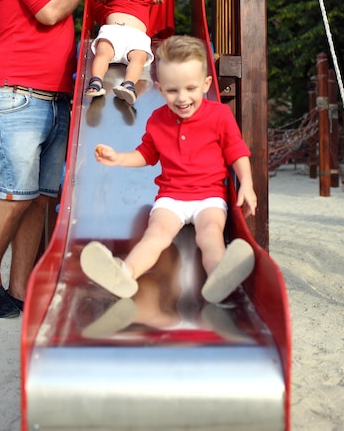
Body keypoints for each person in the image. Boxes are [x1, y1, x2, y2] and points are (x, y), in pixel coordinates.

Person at [0, 0, 108, 318]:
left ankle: (19, 287)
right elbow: (50, 12)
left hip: (57, 101)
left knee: (41, 199)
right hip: (16, 94)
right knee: (15, 195)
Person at [81, 35, 257, 304]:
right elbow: (146, 155)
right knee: (156, 235)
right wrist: (119, 158)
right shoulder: (157, 119)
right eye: (173, 91)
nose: (182, 98)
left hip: (209, 196)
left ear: (206, 85)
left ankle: (219, 278)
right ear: (161, 90)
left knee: (209, 234)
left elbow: (237, 152)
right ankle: (124, 274)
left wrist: (246, 184)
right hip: (171, 197)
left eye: (191, 88)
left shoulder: (219, 115)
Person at [85, 0, 166, 105]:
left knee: (139, 58)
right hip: (113, 32)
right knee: (103, 52)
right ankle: (96, 82)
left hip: (136, 37)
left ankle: (128, 85)